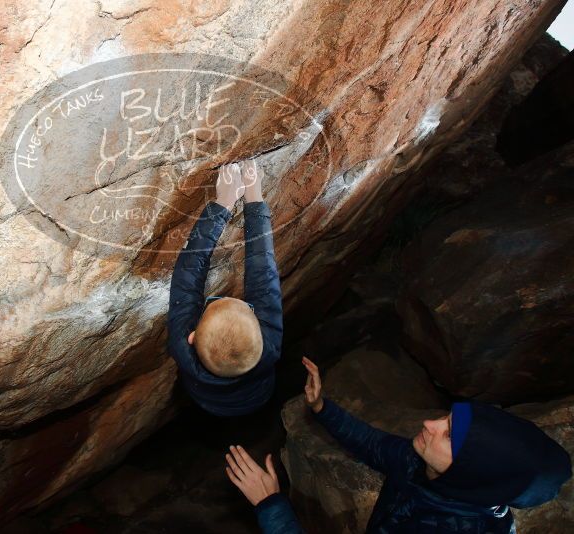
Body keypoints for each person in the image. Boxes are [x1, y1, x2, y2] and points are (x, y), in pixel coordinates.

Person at [225, 357, 572, 533]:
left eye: (448, 434)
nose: (430, 425)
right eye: (447, 418)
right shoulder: (427, 467)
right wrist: (321, 408)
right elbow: (374, 444)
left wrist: (271, 506)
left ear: (471, 472)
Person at [167, 158, 283, 417]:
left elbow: (188, 273)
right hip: (259, 393)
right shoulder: (270, 345)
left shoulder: (180, 344)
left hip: (207, 399)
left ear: (192, 337)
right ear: (260, 329)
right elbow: (263, 276)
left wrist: (223, 204)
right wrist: (254, 199)